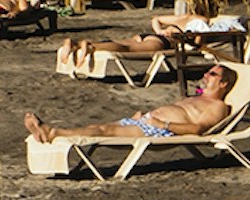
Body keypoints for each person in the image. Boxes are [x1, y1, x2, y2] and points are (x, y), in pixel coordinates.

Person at [25, 62, 237, 146]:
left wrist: (162, 125)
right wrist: (147, 116)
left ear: (223, 82)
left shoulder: (217, 106)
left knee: (104, 131)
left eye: (212, 73)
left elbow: (198, 129)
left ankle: (51, 132)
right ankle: (52, 132)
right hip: (147, 122)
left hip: (159, 131)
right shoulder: (196, 97)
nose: (206, 75)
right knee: (98, 128)